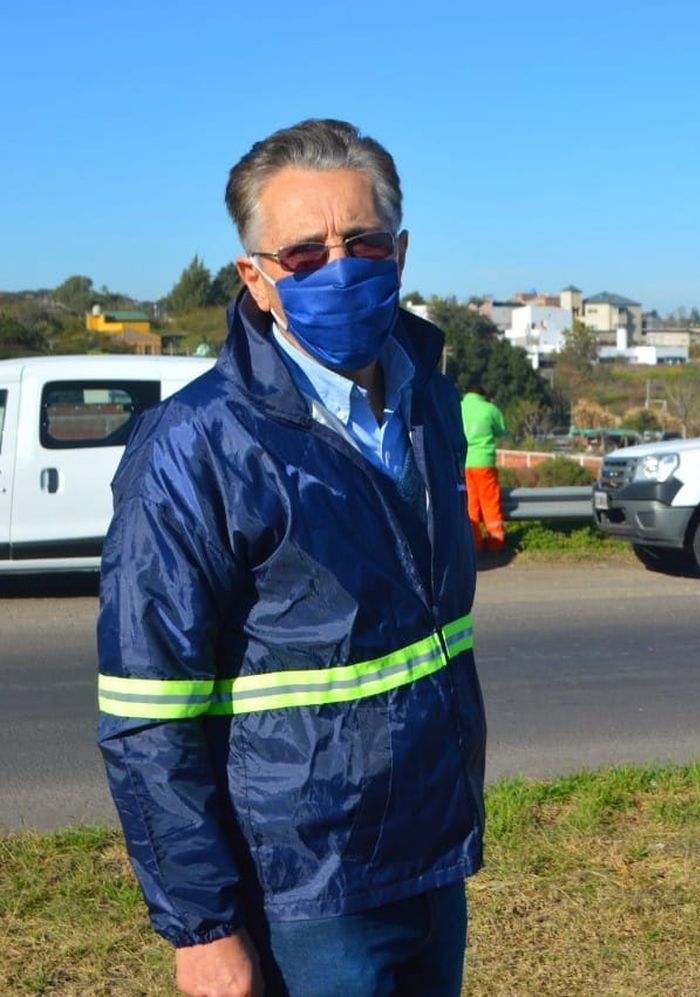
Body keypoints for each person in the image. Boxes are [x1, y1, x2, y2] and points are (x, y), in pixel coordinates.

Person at [97, 119, 485, 997]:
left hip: (431, 854)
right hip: (305, 893)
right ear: (257, 279)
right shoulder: (192, 448)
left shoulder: (431, 402)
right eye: (304, 253)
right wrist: (205, 929)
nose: (340, 267)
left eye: (364, 241)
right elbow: (146, 714)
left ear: (402, 251)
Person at [461, 385, 507, 552]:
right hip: (484, 463)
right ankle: (496, 542)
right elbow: (502, 431)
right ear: (483, 396)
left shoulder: (459, 407)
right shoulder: (489, 409)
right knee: (490, 502)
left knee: (470, 504)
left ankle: (475, 544)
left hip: (464, 464)